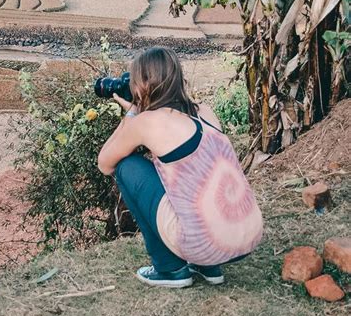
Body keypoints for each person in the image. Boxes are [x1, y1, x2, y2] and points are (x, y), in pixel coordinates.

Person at [97, 47, 263, 288]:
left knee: (126, 166)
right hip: (247, 237)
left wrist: (132, 114)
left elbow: (105, 163)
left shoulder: (146, 122)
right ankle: (208, 267)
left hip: (203, 244)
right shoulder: (205, 111)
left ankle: (169, 268)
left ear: (141, 84)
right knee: (190, 174)